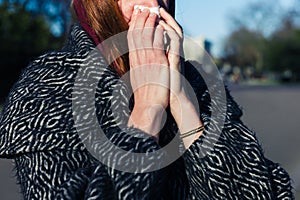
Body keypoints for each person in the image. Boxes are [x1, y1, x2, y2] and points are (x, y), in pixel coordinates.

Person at [0, 0, 294, 199]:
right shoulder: (48, 85)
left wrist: (183, 101)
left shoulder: (198, 82)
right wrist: (147, 110)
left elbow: (266, 191)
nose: (154, 7)